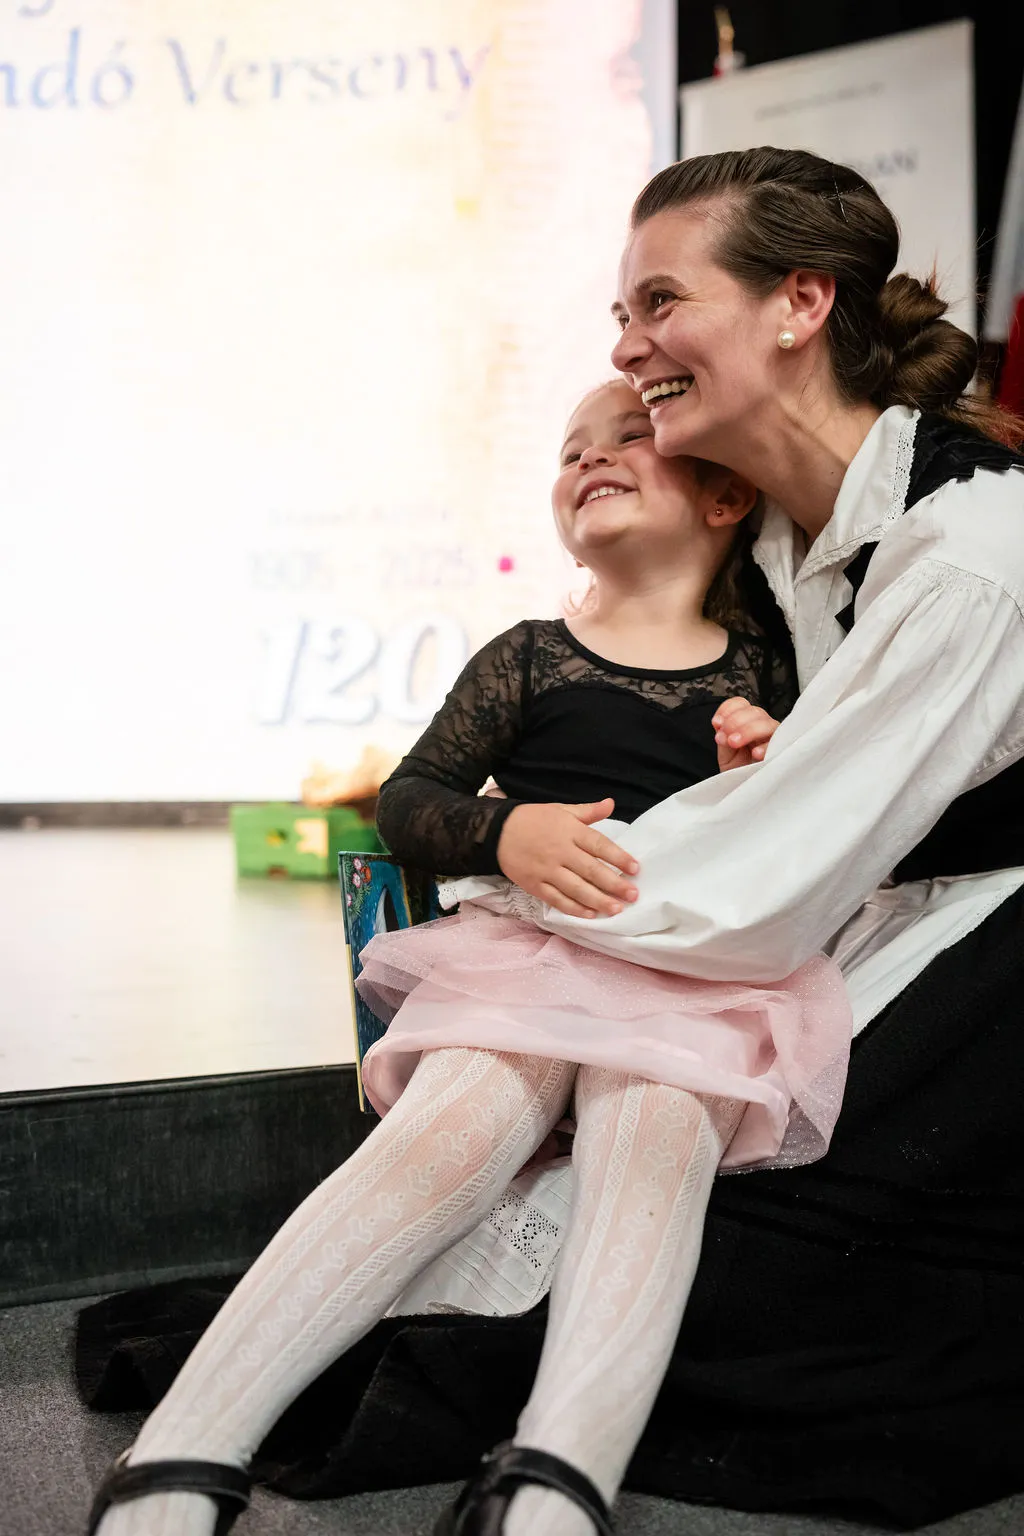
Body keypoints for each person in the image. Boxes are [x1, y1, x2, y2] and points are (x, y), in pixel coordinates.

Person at [85, 379, 852, 1536]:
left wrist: (771, 763)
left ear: (724, 497)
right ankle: (185, 1448)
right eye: (570, 450)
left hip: (696, 975)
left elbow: (825, 821)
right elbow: (409, 800)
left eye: (628, 437)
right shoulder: (530, 656)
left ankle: (559, 1478)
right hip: (533, 952)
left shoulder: (766, 666)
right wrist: (506, 831)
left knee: (654, 1148)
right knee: (447, 1133)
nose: (588, 459)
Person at [450, 148, 1024, 1528]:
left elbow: (771, 874)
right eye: (621, 315)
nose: (627, 347)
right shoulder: (766, 540)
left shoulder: (971, 547)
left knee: (754, 1268)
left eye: (660, 302)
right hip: (866, 915)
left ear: (799, 305)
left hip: (989, 951)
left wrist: (518, 898)